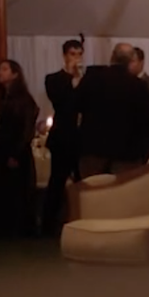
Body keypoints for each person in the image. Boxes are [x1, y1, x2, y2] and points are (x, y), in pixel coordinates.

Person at [75, 43, 149, 177]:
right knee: (123, 189)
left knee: (92, 188)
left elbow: (77, 105)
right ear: (131, 60)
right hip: (126, 152)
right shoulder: (139, 86)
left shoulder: (92, 78)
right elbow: (144, 119)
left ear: (112, 57)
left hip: (94, 148)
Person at [0, 59, 41, 237]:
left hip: (16, 149)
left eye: (4, 69)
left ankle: (18, 227)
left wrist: (16, 153)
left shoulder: (24, 100)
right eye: (0, 69)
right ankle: (0, 226)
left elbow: (26, 129)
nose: (0, 72)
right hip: (2, 148)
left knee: (17, 190)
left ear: (15, 74)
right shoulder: (3, 98)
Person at [43, 38, 86, 230]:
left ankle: (82, 219)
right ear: (64, 56)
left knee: (83, 181)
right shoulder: (53, 79)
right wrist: (72, 81)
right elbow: (59, 102)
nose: (76, 58)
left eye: (79, 54)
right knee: (57, 181)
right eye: (72, 54)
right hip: (62, 137)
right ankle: (48, 223)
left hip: (82, 138)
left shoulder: (87, 79)